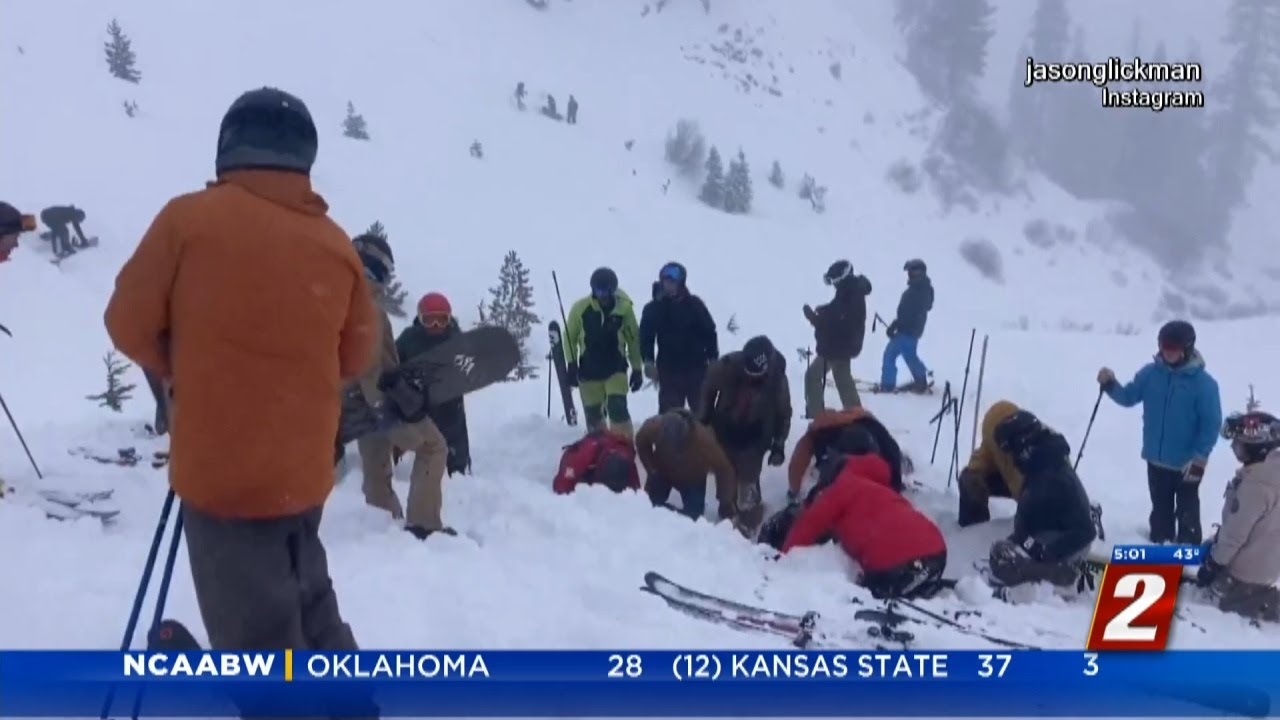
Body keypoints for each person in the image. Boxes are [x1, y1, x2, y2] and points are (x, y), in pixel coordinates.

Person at [103, 87, 377, 657]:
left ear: (228, 146)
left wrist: (183, 366)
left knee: (257, 633)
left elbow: (127, 321)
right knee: (309, 593)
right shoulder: (334, 245)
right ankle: (348, 698)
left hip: (221, 472)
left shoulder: (188, 222)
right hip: (302, 469)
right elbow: (355, 358)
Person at [345, 232, 452, 540]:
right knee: (434, 446)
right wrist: (389, 405)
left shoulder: (338, 299)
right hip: (378, 400)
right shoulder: (368, 308)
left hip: (351, 404)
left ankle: (383, 529)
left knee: (377, 468)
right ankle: (423, 524)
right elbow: (370, 368)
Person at [1097, 319, 1221, 544]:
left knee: (1187, 513)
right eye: (1164, 346)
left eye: (1173, 349)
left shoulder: (1204, 385)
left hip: (1187, 464)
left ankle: (1187, 559)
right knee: (1160, 511)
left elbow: (1211, 425)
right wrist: (1111, 385)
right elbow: (1128, 397)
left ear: (1187, 348)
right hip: (1156, 461)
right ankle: (1159, 548)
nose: (1167, 352)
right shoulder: (1150, 374)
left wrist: (1200, 458)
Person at [781, 442, 948, 600]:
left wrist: (781, 560)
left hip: (899, 564)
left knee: (864, 592)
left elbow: (809, 525)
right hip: (937, 551)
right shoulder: (883, 490)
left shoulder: (841, 487)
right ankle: (923, 577)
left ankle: (907, 578)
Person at [985, 410, 1097, 591]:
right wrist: (1022, 540)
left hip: (1067, 546)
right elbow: (1032, 515)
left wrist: (1044, 552)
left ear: (1024, 446)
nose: (1012, 460)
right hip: (1048, 535)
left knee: (1008, 567)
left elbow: (1086, 531)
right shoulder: (1039, 468)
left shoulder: (1055, 477)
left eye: (1012, 451)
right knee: (1001, 554)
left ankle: (1063, 575)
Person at [698, 335, 791, 535]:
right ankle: (726, 519)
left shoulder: (777, 379)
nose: (752, 379)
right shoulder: (727, 366)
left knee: (748, 487)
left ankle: (749, 523)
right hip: (725, 430)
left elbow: (784, 414)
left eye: (756, 376)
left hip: (755, 437)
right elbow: (707, 388)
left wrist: (779, 445)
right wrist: (704, 416)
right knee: (726, 480)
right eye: (748, 374)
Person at [1196, 411, 1280, 622]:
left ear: (1257, 446)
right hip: (1268, 562)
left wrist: (1212, 564)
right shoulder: (1272, 471)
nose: (1234, 448)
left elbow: (1235, 535)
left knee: (1219, 603)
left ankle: (1253, 598)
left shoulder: (1256, 485)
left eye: (1239, 443)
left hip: (1247, 571)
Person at [395, 292, 471, 476]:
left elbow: (468, 364)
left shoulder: (455, 338)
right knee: (406, 430)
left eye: (441, 320)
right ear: (420, 318)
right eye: (429, 320)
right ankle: (395, 462)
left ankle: (458, 469)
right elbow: (394, 360)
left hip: (447, 398)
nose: (436, 326)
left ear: (449, 319)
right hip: (416, 396)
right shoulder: (409, 338)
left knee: (453, 431)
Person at [564, 267, 643, 438]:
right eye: (599, 290)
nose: (604, 295)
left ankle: (624, 448)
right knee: (593, 416)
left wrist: (637, 368)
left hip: (615, 368)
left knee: (617, 408)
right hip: (588, 371)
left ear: (614, 289)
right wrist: (571, 363)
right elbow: (569, 337)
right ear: (593, 290)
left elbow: (633, 339)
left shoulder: (624, 309)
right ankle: (599, 451)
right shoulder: (580, 308)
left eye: (608, 290)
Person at [639, 261, 718, 414]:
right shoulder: (653, 308)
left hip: (697, 369)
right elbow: (646, 336)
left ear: (681, 283)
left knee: (704, 415)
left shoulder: (695, 305)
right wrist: (648, 361)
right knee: (670, 418)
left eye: (672, 282)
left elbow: (709, 331)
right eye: (666, 281)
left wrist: (713, 357)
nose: (669, 285)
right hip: (669, 371)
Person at [785, 407, 905, 503]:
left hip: (845, 452)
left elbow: (797, 463)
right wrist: (895, 485)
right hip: (866, 443)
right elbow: (891, 447)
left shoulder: (815, 433)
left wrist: (794, 491)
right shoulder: (863, 417)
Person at [635, 409, 735, 520]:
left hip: (692, 479)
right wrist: (652, 469)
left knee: (694, 517)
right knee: (647, 504)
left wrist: (725, 502)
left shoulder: (703, 440)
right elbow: (641, 441)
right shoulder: (654, 427)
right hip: (663, 471)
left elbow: (724, 469)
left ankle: (674, 517)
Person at [802, 260, 872, 417]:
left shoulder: (851, 293)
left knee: (812, 376)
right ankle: (856, 413)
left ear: (842, 278)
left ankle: (816, 415)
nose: (833, 284)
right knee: (842, 377)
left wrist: (814, 319)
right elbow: (838, 310)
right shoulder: (850, 290)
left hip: (837, 346)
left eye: (834, 281)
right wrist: (825, 309)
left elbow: (839, 322)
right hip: (845, 344)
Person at [957, 400, 1025, 527]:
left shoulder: (1034, 444)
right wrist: (973, 474)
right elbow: (984, 454)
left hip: (1041, 495)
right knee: (970, 480)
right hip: (1014, 483)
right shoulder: (996, 438)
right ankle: (974, 532)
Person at [878, 258, 933, 393]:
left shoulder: (921, 290)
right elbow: (905, 312)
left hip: (910, 330)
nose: (909, 275)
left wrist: (898, 325)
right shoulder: (916, 289)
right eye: (909, 273)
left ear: (920, 273)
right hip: (906, 329)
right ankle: (893, 383)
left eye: (912, 273)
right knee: (896, 354)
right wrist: (896, 324)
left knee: (900, 355)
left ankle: (893, 384)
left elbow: (914, 312)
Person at [552, 428, 640, 495]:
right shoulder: (580, 456)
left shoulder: (626, 455)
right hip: (585, 465)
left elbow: (636, 491)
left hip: (606, 456)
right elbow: (562, 486)